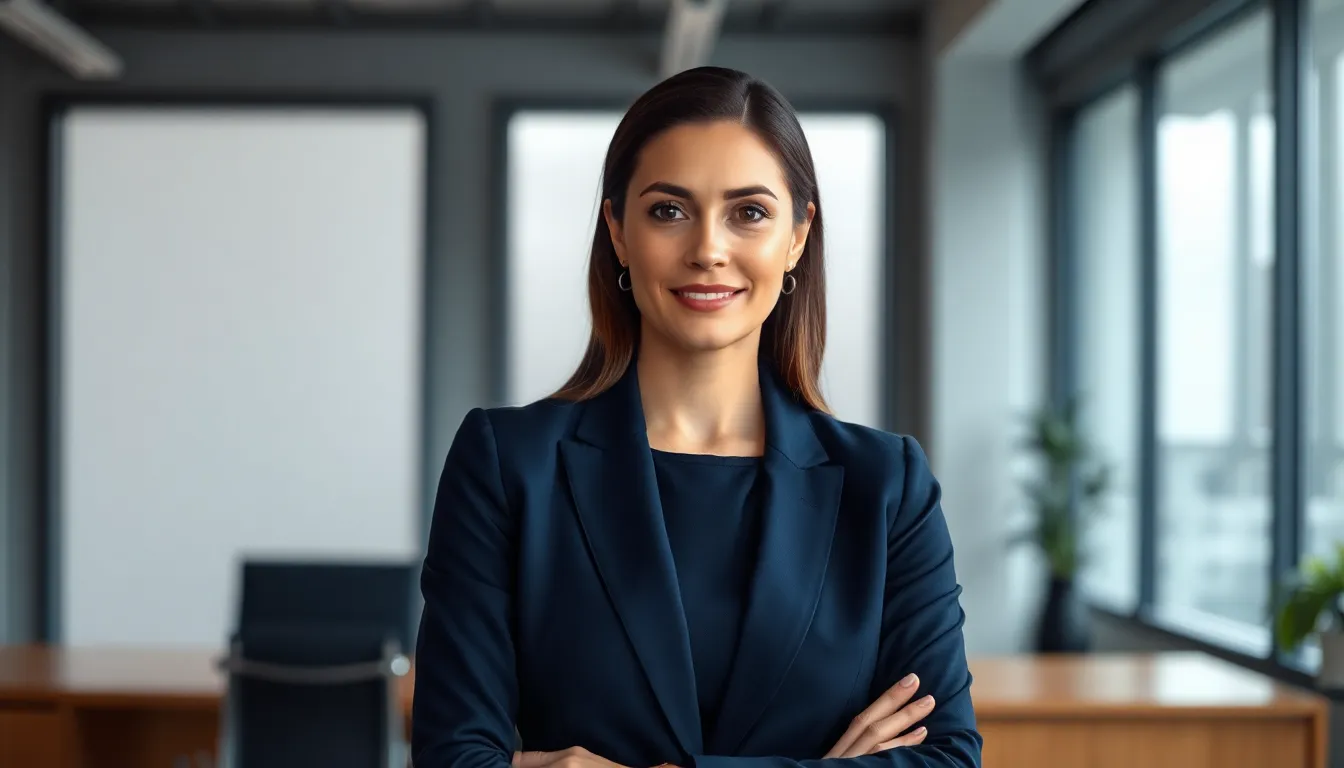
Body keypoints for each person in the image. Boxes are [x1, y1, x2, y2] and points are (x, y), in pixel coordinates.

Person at [411, 66, 982, 768]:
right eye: (668, 211)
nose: (708, 249)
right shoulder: (507, 465)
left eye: (749, 212)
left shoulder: (888, 487)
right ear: (617, 230)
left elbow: (948, 758)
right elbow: (452, 756)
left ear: (797, 236)